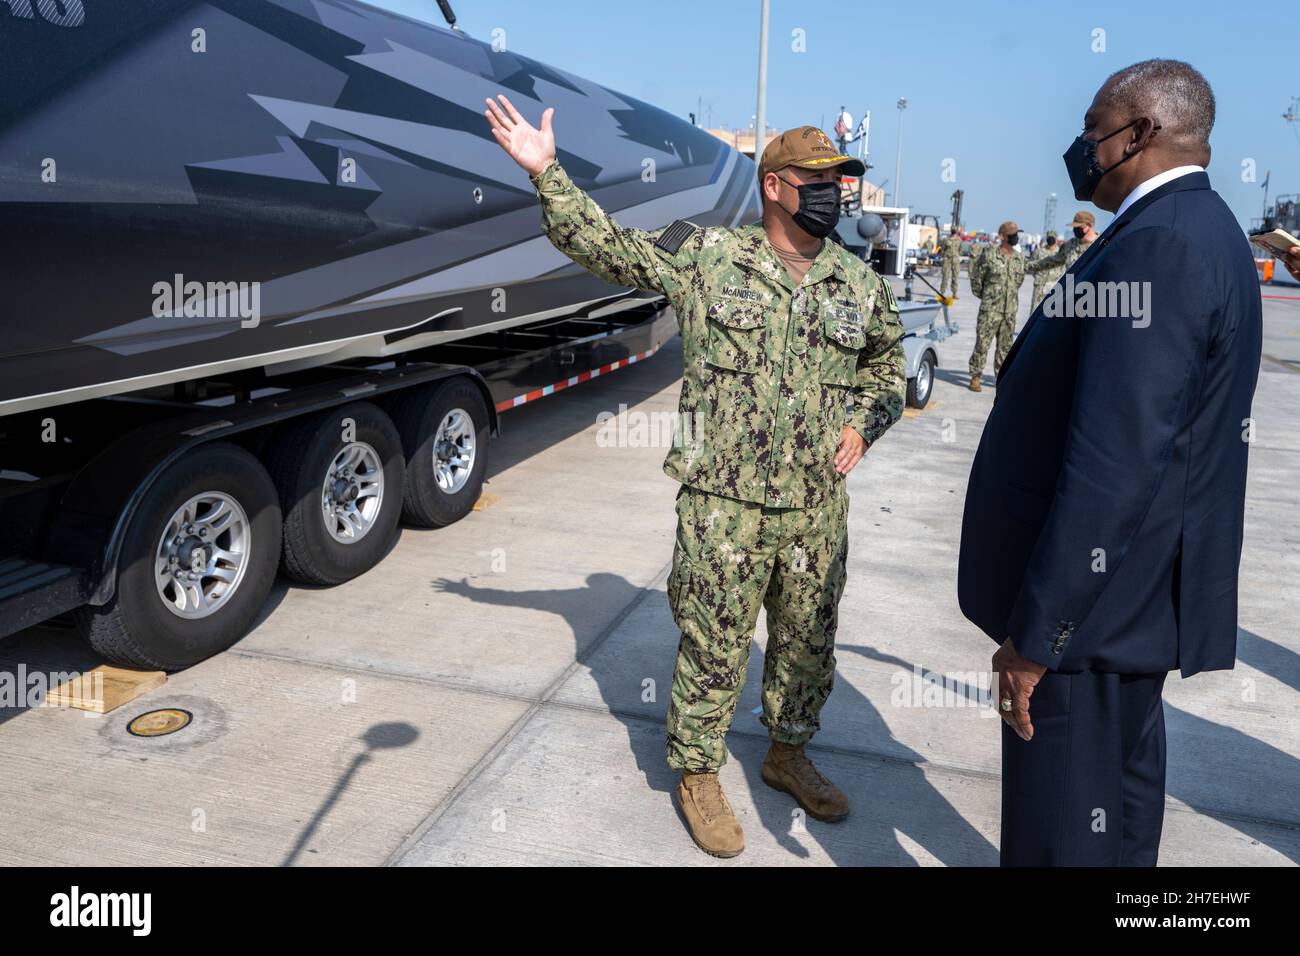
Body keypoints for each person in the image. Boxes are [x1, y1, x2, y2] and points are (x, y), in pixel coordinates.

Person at [484, 98, 906, 858]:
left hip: (815, 508)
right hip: (724, 504)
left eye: (841, 180)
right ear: (774, 185)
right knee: (714, 645)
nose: (835, 192)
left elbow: (886, 368)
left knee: (808, 644)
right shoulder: (709, 256)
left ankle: (787, 752)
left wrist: (862, 424)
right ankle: (698, 773)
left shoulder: (857, 283)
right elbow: (609, 247)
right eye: (819, 178)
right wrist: (548, 172)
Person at [958, 59, 1262, 865]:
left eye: (1093, 127)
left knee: (1060, 837)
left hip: (1086, 626)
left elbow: (1115, 459)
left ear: (1140, 133)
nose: (1081, 143)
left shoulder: (1158, 244)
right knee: (1116, 829)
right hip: (1128, 615)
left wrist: (1039, 634)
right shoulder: (1205, 230)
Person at [967, 220, 1026, 391]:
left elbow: (1018, 281)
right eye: (1012, 235)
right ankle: (975, 377)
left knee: (1005, 348)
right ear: (1002, 237)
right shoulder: (989, 255)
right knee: (982, 344)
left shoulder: (1019, 258)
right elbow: (977, 279)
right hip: (990, 311)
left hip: (1009, 312)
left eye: (1016, 234)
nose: (1015, 237)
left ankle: (1001, 379)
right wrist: (987, 297)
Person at [1025, 210, 1098, 297]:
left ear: (1089, 226)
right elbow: (1052, 261)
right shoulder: (1070, 245)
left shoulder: (1102, 244)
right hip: (1071, 296)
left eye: (1079, 227)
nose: (1075, 230)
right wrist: (1026, 265)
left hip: (1093, 296)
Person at [1028, 231, 1059, 308]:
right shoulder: (1039, 252)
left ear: (1056, 239)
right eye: (1049, 237)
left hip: (1055, 286)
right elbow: (1031, 266)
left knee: (1053, 312)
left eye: (1053, 237)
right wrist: (1038, 276)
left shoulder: (1060, 252)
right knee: (1035, 310)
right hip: (1040, 286)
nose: (1051, 239)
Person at [939, 226, 963, 298]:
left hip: (955, 261)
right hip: (947, 261)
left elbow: (960, 250)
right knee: (945, 277)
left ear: (956, 231)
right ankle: (942, 292)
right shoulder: (946, 240)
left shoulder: (959, 240)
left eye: (955, 230)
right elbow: (943, 250)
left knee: (955, 277)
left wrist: (957, 256)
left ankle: (954, 293)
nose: (954, 231)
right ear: (951, 231)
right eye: (953, 230)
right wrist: (944, 257)